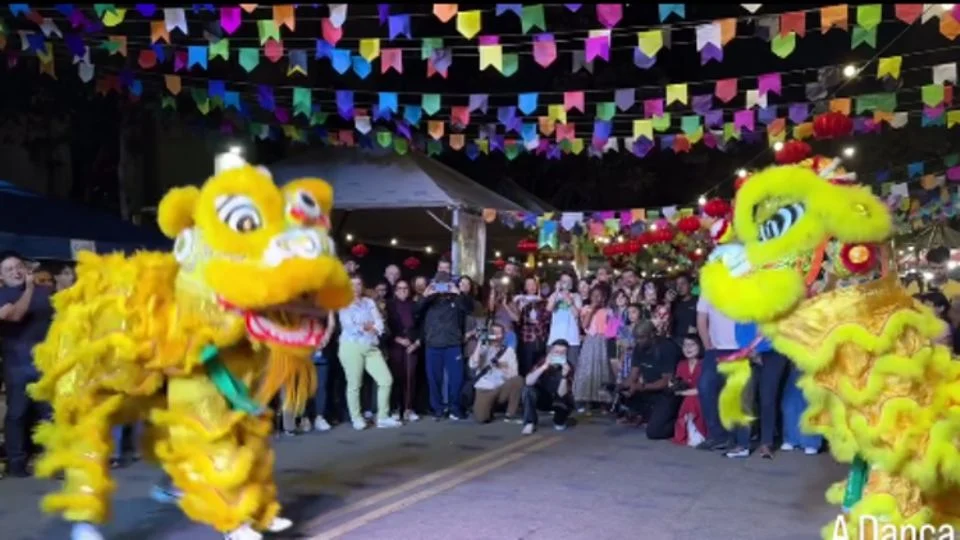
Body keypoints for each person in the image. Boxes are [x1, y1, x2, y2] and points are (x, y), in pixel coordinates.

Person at [0, 252, 54, 477]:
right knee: (17, 414)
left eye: (18, 266)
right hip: (16, 365)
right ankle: (16, 463)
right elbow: (13, 316)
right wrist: (30, 289)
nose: (15, 271)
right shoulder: (3, 294)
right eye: (8, 268)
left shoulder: (45, 292)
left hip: (44, 363)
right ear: (1, 276)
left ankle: (53, 461)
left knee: (49, 414)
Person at [338, 275, 401, 430]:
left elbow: (379, 323)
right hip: (351, 346)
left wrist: (372, 327)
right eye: (352, 285)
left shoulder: (369, 302)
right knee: (355, 384)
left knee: (386, 379)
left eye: (358, 284)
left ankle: (383, 417)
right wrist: (367, 327)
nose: (356, 287)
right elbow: (349, 326)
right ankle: (356, 418)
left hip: (371, 345)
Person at [725, 322, 788, 459]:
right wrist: (750, 352)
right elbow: (739, 332)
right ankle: (742, 444)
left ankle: (766, 443)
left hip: (773, 352)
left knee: (767, 398)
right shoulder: (741, 309)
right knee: (744, 398)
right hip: (748, 353)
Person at [418, 271, 473, 420]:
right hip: (433, 344)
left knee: (456, 379)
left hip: (453, 344)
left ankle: (455, 408)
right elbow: (416, 312)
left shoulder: (457, 298)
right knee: (434, 379)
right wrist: (425, 296)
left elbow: (469, 309)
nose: (442, 287)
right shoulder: (429, 299)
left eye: (446, 283)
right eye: (439, 283)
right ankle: (438, 409)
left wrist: (458, 293)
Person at [620, 318, 681, 439]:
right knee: (623, 394)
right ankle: (645, 414)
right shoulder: (639, 348)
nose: (638, 341)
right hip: (649, 390)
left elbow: (667, 381)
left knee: (654, 433)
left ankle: (680, 422)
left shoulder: (667, 348)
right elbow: (633, 375)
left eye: (641, 337)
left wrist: (641, 387)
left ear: (652, 335)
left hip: (668, 392)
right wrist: (620, 387)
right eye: (636, 338)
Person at [696, 295, 739, 450]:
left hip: (739, 347)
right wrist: (707, 344)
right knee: (705, 387)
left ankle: (737, 436)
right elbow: (701, 318)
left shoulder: (744, 282)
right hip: (715, 349)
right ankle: (718, 435)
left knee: (735, 392)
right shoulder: (709, 287)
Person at [468, 323, 524, 423]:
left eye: (499, 333)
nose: (496, 335)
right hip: (484, 388)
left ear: (503, 335)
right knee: (482, 419)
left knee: (518, 380)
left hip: (501, 388)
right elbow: (473, 365)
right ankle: (489, 408)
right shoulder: (484, 349)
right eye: (493, 333)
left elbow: (514, 374)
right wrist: (480, 342)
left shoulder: (509, 351)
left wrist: (501, 367)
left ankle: (510, 414)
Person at [572, 284, 615, 411]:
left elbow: (613, 330)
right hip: (590, 340)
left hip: (603, 341)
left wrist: (609, 329)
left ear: (604, 297)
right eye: (594, 295)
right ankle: (586, 399)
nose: (596, 298)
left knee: (602, 368)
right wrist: (592, 310)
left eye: (599, 296)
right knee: (588, 368)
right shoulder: (586, 308)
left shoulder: (609, 310)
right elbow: (584, 325)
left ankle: (603, 400)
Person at [521, 339, 575, 434]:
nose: (559, 355)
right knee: (528, 390)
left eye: (562, 353)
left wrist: (564, 377)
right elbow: (528, 381)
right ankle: (529, 422)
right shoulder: (542, 362)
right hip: (543, 397)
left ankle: (559, 420)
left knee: (564, 403)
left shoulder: (569, 367)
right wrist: (543, 367)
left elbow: (562, 394)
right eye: (556, 352)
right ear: (551, 352)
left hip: (558, 399)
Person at [386, 279, 421, 422]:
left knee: (410, 377)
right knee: (396, 377)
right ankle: (396, 408)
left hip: (413, 345)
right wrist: (399, 339)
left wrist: (416, 343)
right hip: (395, 345)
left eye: (405, 288)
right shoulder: (389, 305)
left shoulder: (415, 305)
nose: (403, 290)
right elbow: (386, 327)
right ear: (395, 291)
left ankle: (409, 408)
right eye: (399, 288)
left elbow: (422, 326)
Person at [671, 335, 706, 447]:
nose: (688, 348)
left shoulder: (704, 364)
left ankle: (698, 432)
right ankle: (689, 430)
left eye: (692, 345)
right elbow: (677, 384)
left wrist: (682, 393)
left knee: (692, 399)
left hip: (703, 398)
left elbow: (702, 390)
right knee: (689, 400)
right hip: (685, 400)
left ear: (700, 346)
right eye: (685, 345)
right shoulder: (681, 364)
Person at [780, 364, 822, 456]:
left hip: (814, 362)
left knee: (810, 402)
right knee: (790, 403)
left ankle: (811, 442)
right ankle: (791, 439)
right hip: (796, 362)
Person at [546, 272, 582, 365]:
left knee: (571, 368)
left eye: (568, 281)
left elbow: (577, 314)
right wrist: (557, 291)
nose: (565, 283)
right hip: (555, 338)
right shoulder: (554, 295)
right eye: (563, 281)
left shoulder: (576, 296)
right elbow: (549, 309)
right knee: (555, 367)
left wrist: (568, 299)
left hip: (572, 339)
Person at [516, 276, 549, 375]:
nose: (532, 287)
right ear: (525, 287)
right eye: (529, 285)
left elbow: (547, 318)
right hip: (527, 339)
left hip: (541, 337)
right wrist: (521, 308)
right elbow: (518, 320)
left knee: (540, 367)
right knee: (527, 367)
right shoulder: (520, 300)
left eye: (534, 284)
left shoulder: (543, 301)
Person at [670, 274, 698, 339]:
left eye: (683, 283)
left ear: (690, 285)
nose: (679, 287)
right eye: (677, 284)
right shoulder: (673, 303)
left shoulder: (698, 302)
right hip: (675, 341)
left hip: (693, 342)